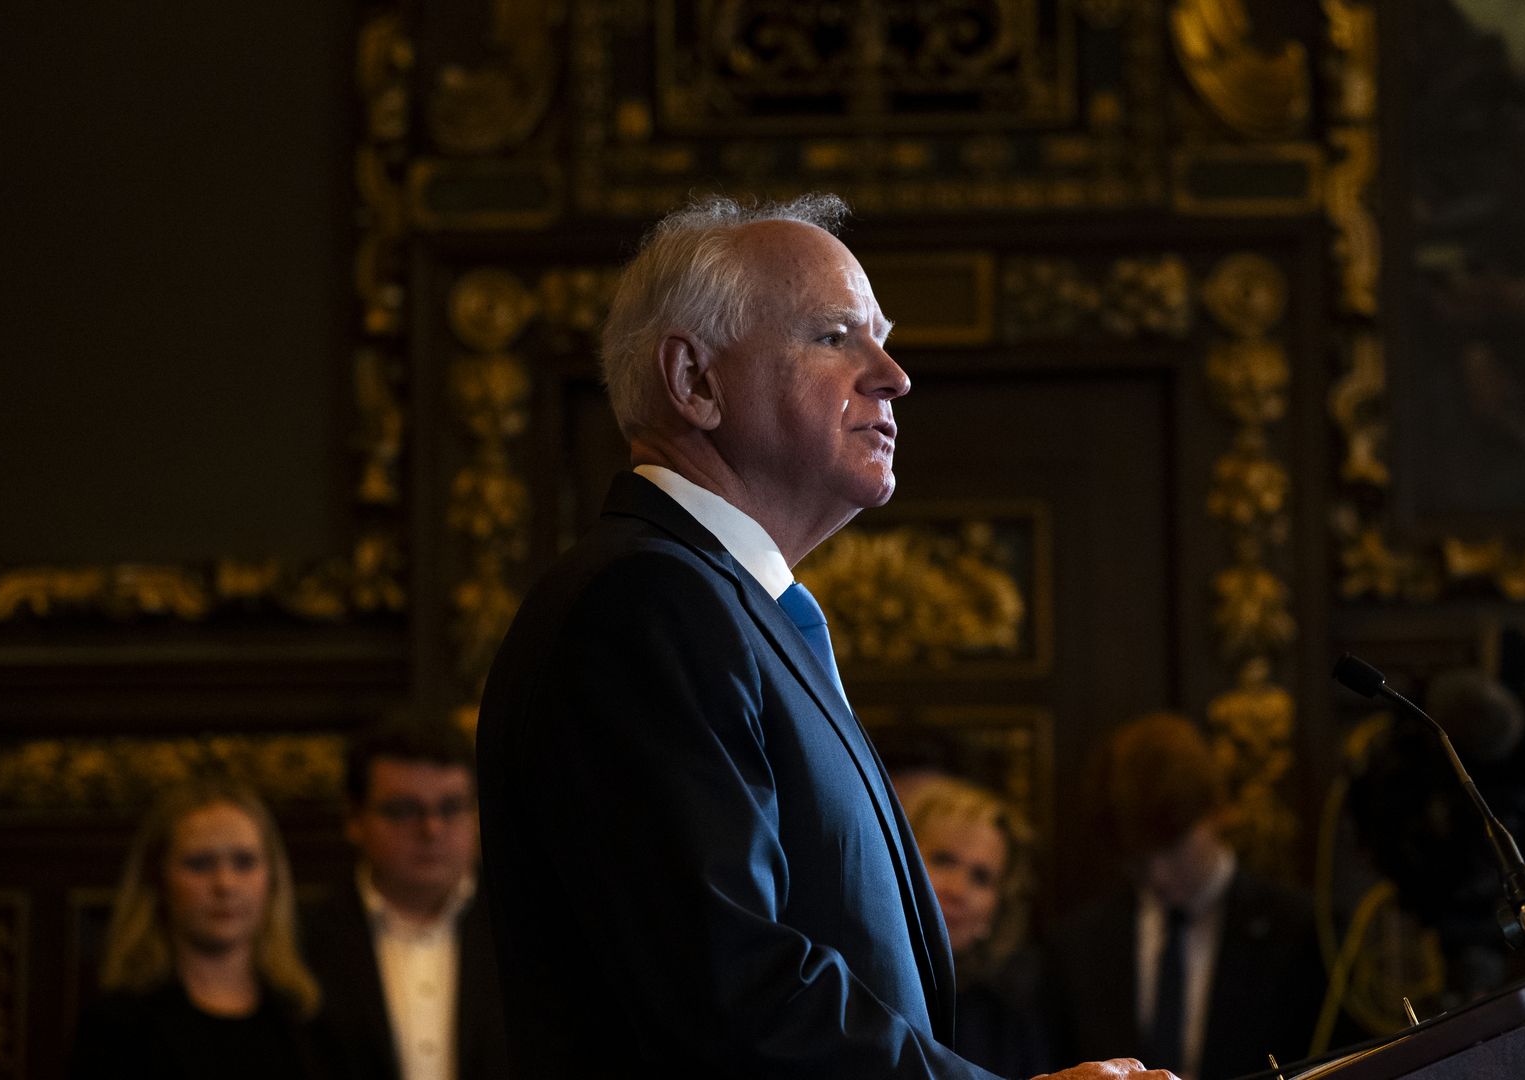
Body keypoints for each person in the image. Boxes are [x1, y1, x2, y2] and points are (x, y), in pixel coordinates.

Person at [475, 192, 1176, 1080]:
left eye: (882, 338)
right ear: (695, 381)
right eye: (835, 336)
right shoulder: (644, 604)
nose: (892, 375)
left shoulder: (730, 609)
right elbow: (730, 992)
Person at [1045, 713, 1325, 1080]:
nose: (1158, 875)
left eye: (1172, 846)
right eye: (1140, 860)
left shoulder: (1305, 930)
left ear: (1217, 812)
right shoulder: (1078, 945)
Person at [68, 780, 325, 1080]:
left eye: (244, 862)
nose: (225, 884)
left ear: (273, 878)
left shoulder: (305, 1019)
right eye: (200, 864)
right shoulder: (116, 1027)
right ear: (158, 877)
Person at [304, 722, 507, 1080]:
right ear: (354, 819)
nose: (431, 829)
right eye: (403, 810)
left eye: (451, 808)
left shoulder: (522, 930)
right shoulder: (303, 937)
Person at [905, 776, 1052, 1079]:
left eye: (981, 878)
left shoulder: (1010, 1020)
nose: (957, 889)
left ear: (997, 910)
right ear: (901, 860)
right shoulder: (850, 984)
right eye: (944, 860)